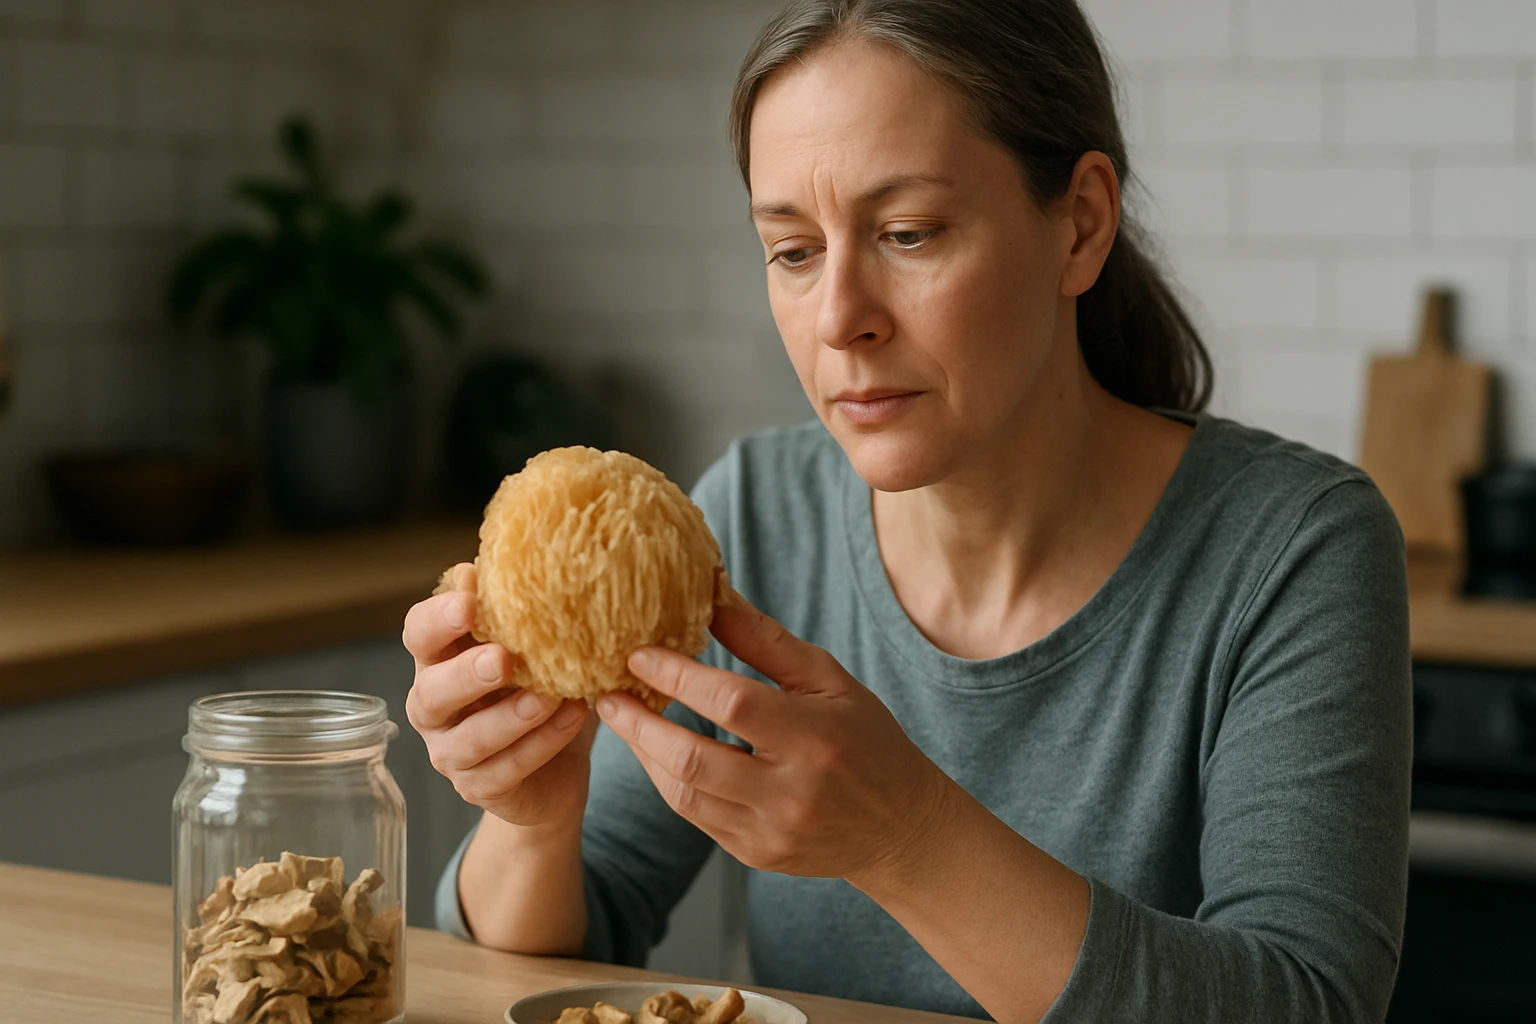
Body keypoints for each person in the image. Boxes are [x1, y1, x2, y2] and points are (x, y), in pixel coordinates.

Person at [401, 1, 1411, 1021]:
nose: (841, 318)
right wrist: (532, 818)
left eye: (908, 232)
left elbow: (1309, 1001)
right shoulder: (755, 518)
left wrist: (907, 839)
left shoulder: (1295, 546)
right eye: (792, 250)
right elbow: (574, 946)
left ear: (1081, 224)